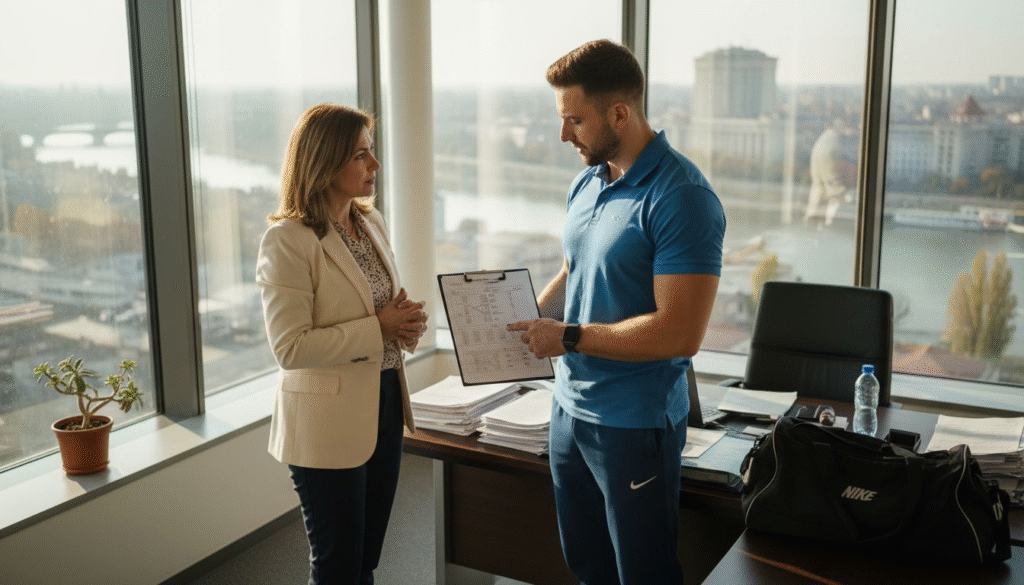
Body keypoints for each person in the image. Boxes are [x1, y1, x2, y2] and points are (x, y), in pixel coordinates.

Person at [508, 40, 725, 584]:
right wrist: (524, 322)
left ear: (620, 114)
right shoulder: (587, 182)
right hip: (568, 411)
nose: (564, 134)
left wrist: (568, 337)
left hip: (633, 422)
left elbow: (679, 333)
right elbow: (574, 270)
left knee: (643, 575)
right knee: (587, 567)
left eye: (575, 120)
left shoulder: (682, 197)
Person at [256, 103, 428, 585]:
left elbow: (381, 308)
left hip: (385, 401)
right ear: (324, 162)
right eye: (360, 155)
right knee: (337, 567)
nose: (375, 164)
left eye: (371, 151)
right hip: (324, 421)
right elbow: (290, 348)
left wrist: (404, 327)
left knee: (365, 560)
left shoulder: (371, 222)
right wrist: (379, 328)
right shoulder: (287, 241)